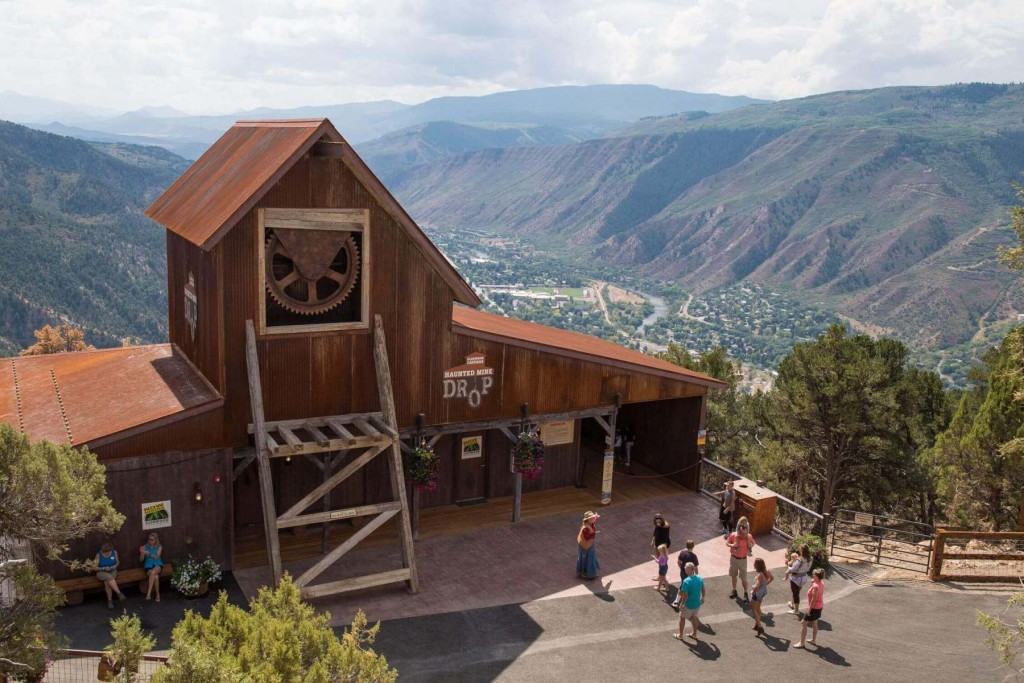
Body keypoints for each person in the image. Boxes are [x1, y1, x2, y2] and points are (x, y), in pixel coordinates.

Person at [793, 568, 826, 649]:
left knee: (803, 623)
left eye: (814, 575)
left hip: (814, 608)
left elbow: (813, 599)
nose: (812, 575)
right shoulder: (821, 583)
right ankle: (813, 640)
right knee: (815, 622)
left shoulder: (815, 586)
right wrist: (812, 582)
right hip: (819, 606)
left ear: (817, 576)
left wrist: (809, 610)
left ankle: (801, 643)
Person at [726, 516, 756, 602]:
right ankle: (734, 590)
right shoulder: (733, 535)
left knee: (743, 578)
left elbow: (753, 543)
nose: (743, 535)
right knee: (734, 575)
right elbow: (727, 543)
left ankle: (746, 593)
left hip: (743, 560)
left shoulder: (748, 536)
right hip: (734, 558)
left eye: (745, 533)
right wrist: (733, 545)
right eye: (742, 533)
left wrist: (750, 545)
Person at [673, 562, 704, 642]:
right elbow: (703, 589)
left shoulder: (686, 581)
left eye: (686, 568)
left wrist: (682, 604)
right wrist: (702, 597)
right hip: (697, 604)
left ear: (691, 570)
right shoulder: (699, 578)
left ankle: (680, 635)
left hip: (689, 605)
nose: (685, 569)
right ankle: (694, 634)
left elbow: (685, 595)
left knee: (682, 618)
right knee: (694, 618)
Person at [93, 542, 126, 609]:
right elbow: (94, 567)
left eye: (108, 552)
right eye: (105, 552)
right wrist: (103, 568)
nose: (106, 553)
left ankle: (110, 601)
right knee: (108, 577)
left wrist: (114, 566)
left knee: (107, 582)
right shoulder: (98, 555)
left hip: (112, 570)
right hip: (101, 572)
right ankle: (119, 593)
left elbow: (118, 562)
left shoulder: (114, 552)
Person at [784, 544, 813, 614]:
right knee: (796, 591)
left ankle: (796, 610)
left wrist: (788, 565)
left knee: (796, 593)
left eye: (800, 549)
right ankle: (792, 603)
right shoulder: (810, 558)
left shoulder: (800, 559)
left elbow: (793, 569)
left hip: (796, 579)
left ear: (802, 550)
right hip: (804, 577)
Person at [671, 540, 699, 608]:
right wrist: (697, 575)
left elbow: (678, 562)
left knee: (683, 586)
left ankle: (677, 601)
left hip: (683, 573)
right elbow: (695, 567)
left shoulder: (682, 553)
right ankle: (677, 602)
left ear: (686, 546)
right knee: (685, 587)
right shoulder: (694, 556)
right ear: (693, 546)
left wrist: (682, 568)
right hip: (690, 574)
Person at [750, 557, 774, 636]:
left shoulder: (760, 575)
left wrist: (753, 592)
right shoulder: (766, 572)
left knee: (754, 610)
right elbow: (772, 578)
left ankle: (760, 627)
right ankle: (757, 624)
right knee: (758, 608)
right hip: (763, 592)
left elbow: (756, 586)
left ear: (756, 565)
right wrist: (765, 584)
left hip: (757, 594)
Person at [139, 532, 163, 602]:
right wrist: (142, 553)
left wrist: (149, 553)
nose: (150, 541)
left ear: (156, 540)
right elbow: (141, 560)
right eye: (149, 539)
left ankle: (148, 592)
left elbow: (156, 557)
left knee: (153, 572)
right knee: (156, 577)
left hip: (158, 564)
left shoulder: (159, 546)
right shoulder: (144, 547)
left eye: (152, 540)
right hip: (148, 566)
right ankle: (158, 594)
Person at [576, 511, 600, 579]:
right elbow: (587, 537)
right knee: (588, 558)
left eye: (593, 518)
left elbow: (593, 522)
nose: (593, 519)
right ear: (587, 520)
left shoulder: (588, 523)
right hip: (586, 545)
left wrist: (596, 518)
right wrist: (594, 533)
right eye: (591, 518)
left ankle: (586, 572)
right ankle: (586, 573)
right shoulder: (586, 528)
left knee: (588, 558)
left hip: (588, 544)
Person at [649, 514, 671, 579]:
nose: (658, 523)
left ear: (662, 520)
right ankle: (661, 575)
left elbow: (666, 526)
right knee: (660, 559)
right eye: (656, 522)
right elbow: (655, 532)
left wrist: (659, 526)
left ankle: (662, 575)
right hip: (658, 543)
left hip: (663, 544)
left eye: (659, 521)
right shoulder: (657, 526)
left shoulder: (665, 525)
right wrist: (653, 540)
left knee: (663, 560)